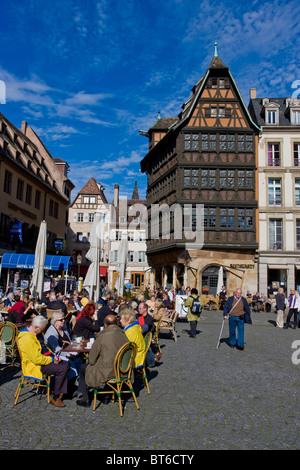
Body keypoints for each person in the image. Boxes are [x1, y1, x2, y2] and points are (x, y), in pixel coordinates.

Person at [76, 314, 129, 407]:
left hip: (108, 371)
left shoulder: (102, 336)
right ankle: (107, 395)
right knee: (109, 363)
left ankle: (85, 399)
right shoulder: (123, 335)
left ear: (105, 325)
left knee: (84, 368)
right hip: (122, 369)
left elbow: (91, 360)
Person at [17, 315, 70, 407]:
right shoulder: (28, 338)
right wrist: (52, 359)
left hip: (42, 359)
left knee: (66, 364)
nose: (42, 331)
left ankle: (56, 388)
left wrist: (54, 357)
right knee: (62, 368)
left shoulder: (36, 333)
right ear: (36, 327)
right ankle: (56, 396)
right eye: (42, 329)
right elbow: (37, 359)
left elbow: (44, 348)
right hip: (35, 364)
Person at [44, 311, 81, 380]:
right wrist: (67, 354)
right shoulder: (51, 333)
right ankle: (71, 380)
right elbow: (56, 349)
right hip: (56, 354)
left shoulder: (63, 328)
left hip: (67, 351)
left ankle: (76, 379)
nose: (63, 321)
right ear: (55, 321)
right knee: (70, 361)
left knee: (79, 359)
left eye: (63, 319)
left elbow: (69, 341)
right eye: (61, 320)